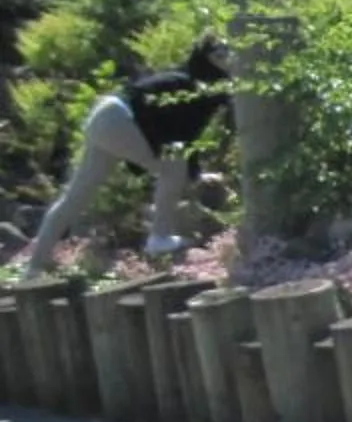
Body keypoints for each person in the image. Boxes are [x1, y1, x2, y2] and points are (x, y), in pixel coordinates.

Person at [24, 39, 230, 269]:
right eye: (220, 54)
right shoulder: (194, 87)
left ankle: (34, 267)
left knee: (76, 197)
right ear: (207, 58)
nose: (227, 59)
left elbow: (174, 133)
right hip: (118, 119)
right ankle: (160, 238)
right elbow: (182, 137)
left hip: (105, 117)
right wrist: (194, 175)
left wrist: (193, 173)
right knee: (173, 167)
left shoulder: (188, 80)